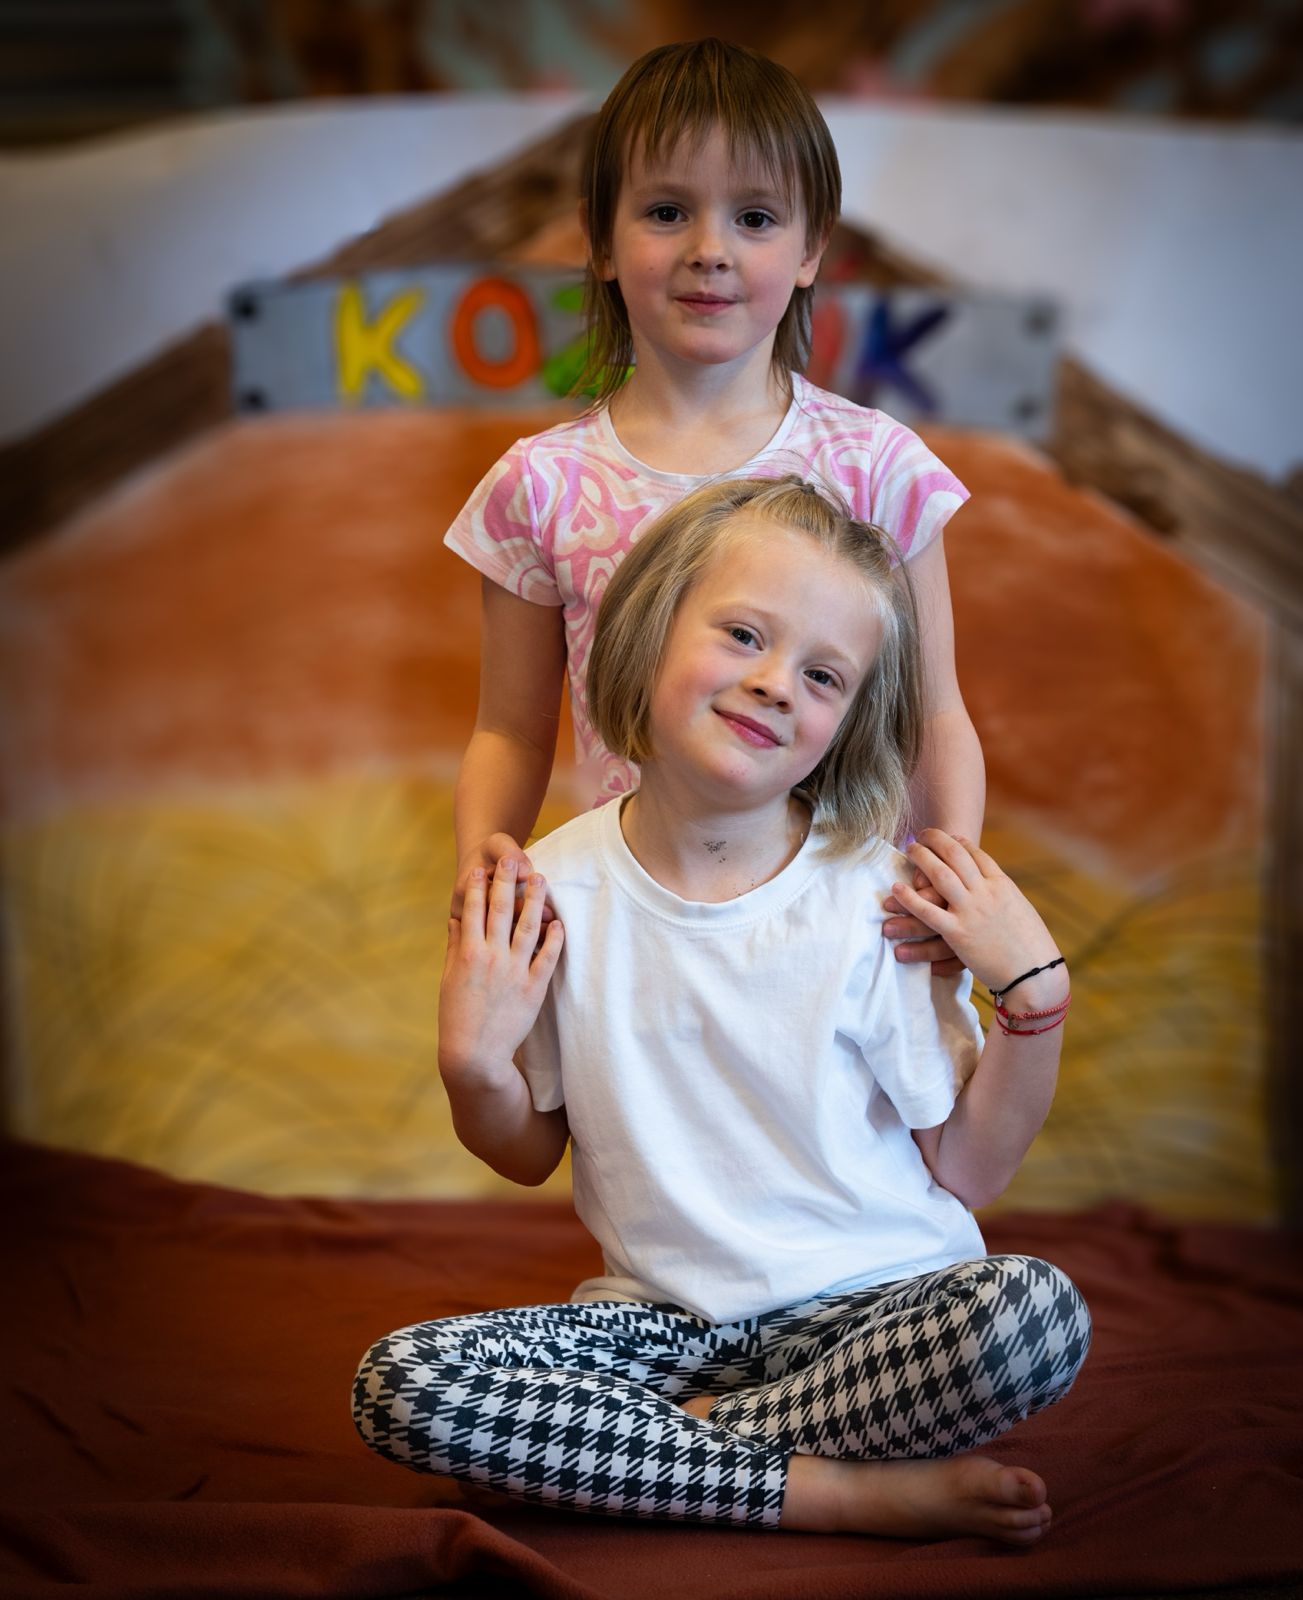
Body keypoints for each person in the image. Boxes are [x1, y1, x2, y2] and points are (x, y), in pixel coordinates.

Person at [354, 477, 1090, 1543]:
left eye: (823, 675)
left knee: (1031, 1317)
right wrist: (474, 1069)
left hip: (878, 1314)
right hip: (660, 1332)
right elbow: (527, 1153)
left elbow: (966, 1171)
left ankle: (646, 1456)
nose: (773, 682)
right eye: (743, 634)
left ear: (845, 724)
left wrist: (1037, 999)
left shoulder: (876, 899)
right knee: (404, 1385)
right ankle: (833, 1489)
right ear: (649, 631)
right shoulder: (551, 891)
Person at [445, 36, 985, 974]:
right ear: (600, 240)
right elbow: (510, 730)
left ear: (811, 248)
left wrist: (950, 881)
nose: (709, 250)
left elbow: (932, 713)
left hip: (849, 942)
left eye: (755, 217)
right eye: (666, 212)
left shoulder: (877, 467)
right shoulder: (539, 486)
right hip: (635, 937)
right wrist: (481, 870)